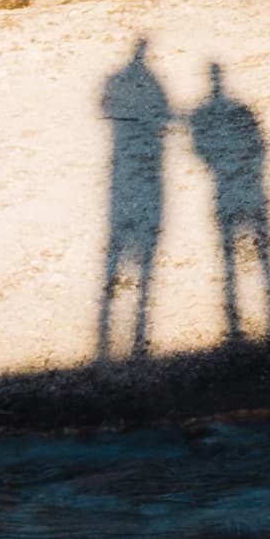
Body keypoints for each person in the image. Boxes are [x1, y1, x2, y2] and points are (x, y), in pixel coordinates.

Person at [191, 60, 270, 341]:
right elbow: (261, 145)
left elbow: (199, 148)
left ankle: (238, 319)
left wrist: (217, 166)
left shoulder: (202, 113)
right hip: (251, 183)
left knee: (231, 250)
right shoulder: (240, 109)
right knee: (256, 250)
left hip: (225, 184)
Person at [96, 38, 173, 361]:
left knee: (120, 236)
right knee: (142, 237)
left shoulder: (116, 78)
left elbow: (103, 105)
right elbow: (166, 112)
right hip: (145, 162)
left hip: (125, 166)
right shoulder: (145, 80)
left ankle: (108, 326)